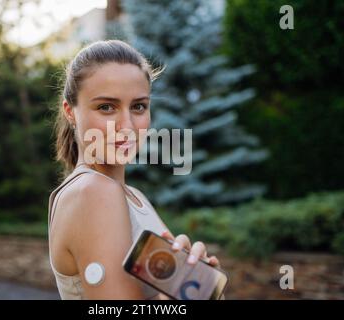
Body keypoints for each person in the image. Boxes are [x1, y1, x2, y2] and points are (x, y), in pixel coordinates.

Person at [48, 40, 221, 300]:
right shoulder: (93, 192)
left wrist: (204, 289)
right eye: (106, 107)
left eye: (139, 106)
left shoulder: (134, 197)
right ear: (70, 112)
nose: (127, 125)